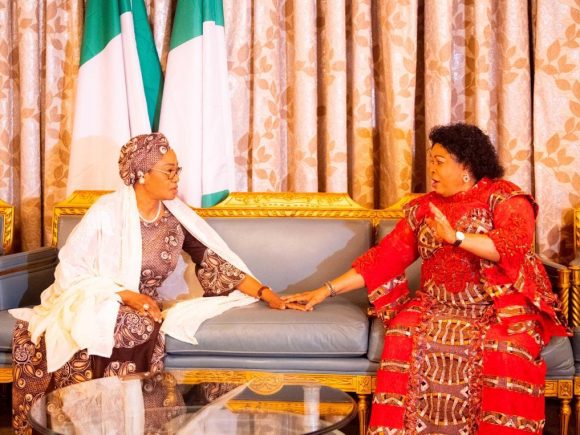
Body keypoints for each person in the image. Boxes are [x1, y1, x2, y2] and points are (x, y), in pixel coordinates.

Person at [283, 123, 568, 434]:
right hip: (436, 305)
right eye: (431, 160)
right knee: (402, 334)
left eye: (440, 161)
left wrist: (456, 237)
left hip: (495, 306)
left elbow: (512, 246)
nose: (431, 169)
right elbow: (384, 259)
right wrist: (324, 291)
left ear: (466, 165)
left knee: (506, 348)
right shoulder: (424, 208)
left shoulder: (505, 198)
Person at [10, 132, 303, 434]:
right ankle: (94, 424)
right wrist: (122, 294)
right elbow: (72, 269)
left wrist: (268, 294)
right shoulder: (105, 212)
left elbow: (219, 263)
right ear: (141, 173)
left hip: (143, 305)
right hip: (91, 297)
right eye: (169, 171)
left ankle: (132, 424)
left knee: (139, 322)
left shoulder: (175, 219)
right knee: (125, 323)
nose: (177, 178)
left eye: (178, 170)